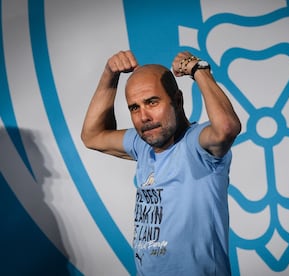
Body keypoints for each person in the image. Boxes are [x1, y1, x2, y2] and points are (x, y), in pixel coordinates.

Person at [81, 50, 241, 275]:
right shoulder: (142, 144)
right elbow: (93, 135)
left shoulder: (197, 144)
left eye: (152, 102)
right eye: (134, 107)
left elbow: (227, 128)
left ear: (177, 100)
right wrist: (110, 75)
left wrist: (199, 70)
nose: (144, 116)